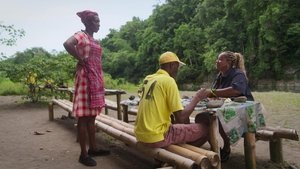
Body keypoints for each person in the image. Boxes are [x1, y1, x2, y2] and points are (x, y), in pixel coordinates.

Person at [134, 51, 210, 150]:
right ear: (172, 65)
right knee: (206, 129)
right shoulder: (169, 81)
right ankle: (187, 156)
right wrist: (197, 98)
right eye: (177, 66)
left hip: (140, 134)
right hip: (156, 136)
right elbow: (181, 117)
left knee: (182, 126)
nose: (178, 70)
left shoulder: (148, 78)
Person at [63, 10, 110, 167]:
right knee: (83, 118)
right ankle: (83, 154)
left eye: (98, 21)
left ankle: (93, 149)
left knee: (92, 117)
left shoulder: (94, 40)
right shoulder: (81, 35)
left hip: (95, 79)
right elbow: (67, 44)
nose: (99, 24)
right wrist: (80, 58)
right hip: (85, 79)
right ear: (88, 23)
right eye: (96, 21)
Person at [205, 51, 255, 162]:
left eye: (220, 59)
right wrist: (209, 96)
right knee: (205, 117)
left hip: (244, 111)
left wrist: (212, 93)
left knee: (219, 118)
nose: (216, 61)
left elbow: (236, 90)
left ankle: (226, 148)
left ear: (228, 62)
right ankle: (215, 147)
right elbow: (214, 92)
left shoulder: (238, 74)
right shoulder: (220, 75)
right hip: (225, 109)